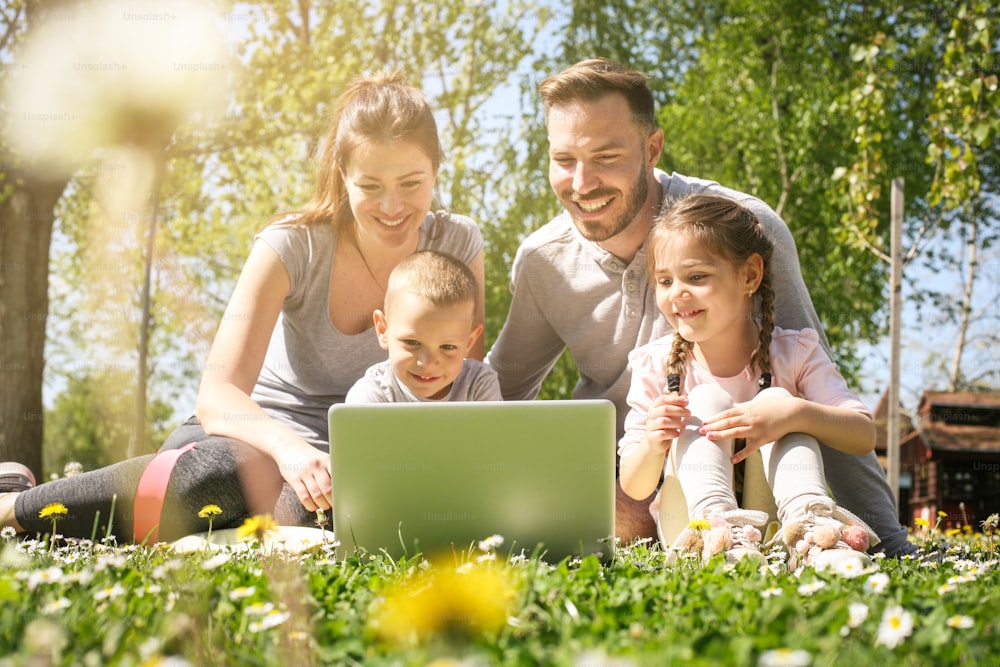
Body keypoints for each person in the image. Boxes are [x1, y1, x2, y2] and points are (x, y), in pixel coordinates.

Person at [0, 71, 486, 543]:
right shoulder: (292, 245)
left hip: (361, 458)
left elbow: (461, 373)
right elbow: (218, 395)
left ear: (436, 171)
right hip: (254, 435)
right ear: (343, 176)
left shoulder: (457, 243)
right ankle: (13, 506)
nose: (393, 205)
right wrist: (291, 451)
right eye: (371, 186)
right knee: (216, 480)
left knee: (315, 519)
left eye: (411, 182)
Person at [484, 57, 916, 557]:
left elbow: (818, 392)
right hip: (642, 469)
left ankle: (766, 532)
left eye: (605, 156)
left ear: (652, 149)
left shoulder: (742, 229)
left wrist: (892, 538)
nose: (582, 184)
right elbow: (502, 393)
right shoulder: (543, 261)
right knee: (610, 504)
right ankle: (710, 537)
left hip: (753, 467)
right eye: (564, 160)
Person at [618, 194, 877, 568]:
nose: (677, 293)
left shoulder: (796, 352)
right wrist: (655, 444)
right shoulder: (655, 364)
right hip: (691, 525)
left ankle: (814, 537)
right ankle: (720, 538)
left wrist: (793, 413)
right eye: (664, 281)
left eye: (696, 277)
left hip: (776, 531)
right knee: (704, 401)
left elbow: (863, 434)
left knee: (783, 409)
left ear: (750, 275)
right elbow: (634, 485)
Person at [345, 250, 501, 403]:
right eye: (412, 342)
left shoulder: (479, 385)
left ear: (469, 341)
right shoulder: (370, 396)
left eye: (447, 347)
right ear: (383, 330)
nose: (427, 362)